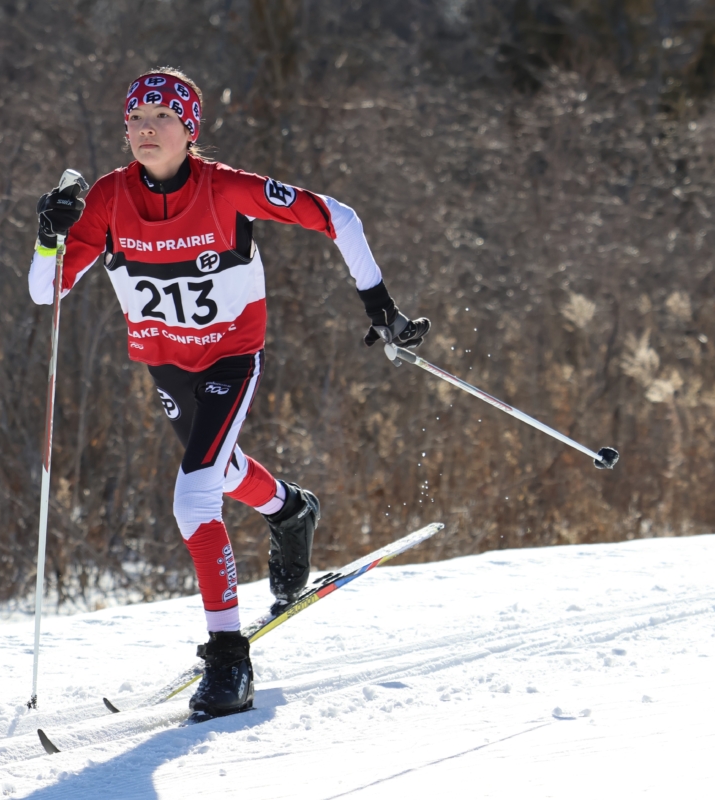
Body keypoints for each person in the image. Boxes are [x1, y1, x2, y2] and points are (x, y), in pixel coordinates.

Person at [27, 68, 429, 718]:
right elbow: (47, 293)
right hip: (167, 367)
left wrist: (380, 306)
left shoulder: (227, 189)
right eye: (136, 118)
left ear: (190, 129)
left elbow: (339, 217)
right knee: (219, 467)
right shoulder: (107, 198)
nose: (146, 128)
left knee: (194, 495)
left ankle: (229, 659)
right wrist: (50, 236)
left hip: (231, 359)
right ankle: (290, 510)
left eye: (162, 116)